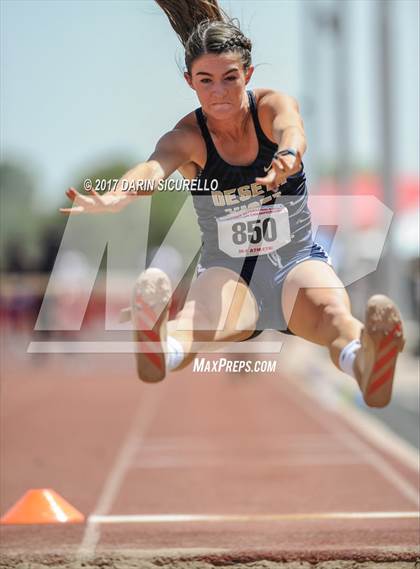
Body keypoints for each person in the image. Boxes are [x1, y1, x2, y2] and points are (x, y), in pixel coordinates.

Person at [60, 0, 404, 408]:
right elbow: (153, 169)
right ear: (189, 81)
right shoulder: (187, 137)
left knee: (333, 313)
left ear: (249, 75)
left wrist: (288, 156)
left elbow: (292, 129)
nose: (219, 92)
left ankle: (365, 359)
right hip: (229, 272)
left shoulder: (271, 107)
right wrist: (118, 194)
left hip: (294, 262)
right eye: (206, 80)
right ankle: (159, 346)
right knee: (198, 319)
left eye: (230, 78)